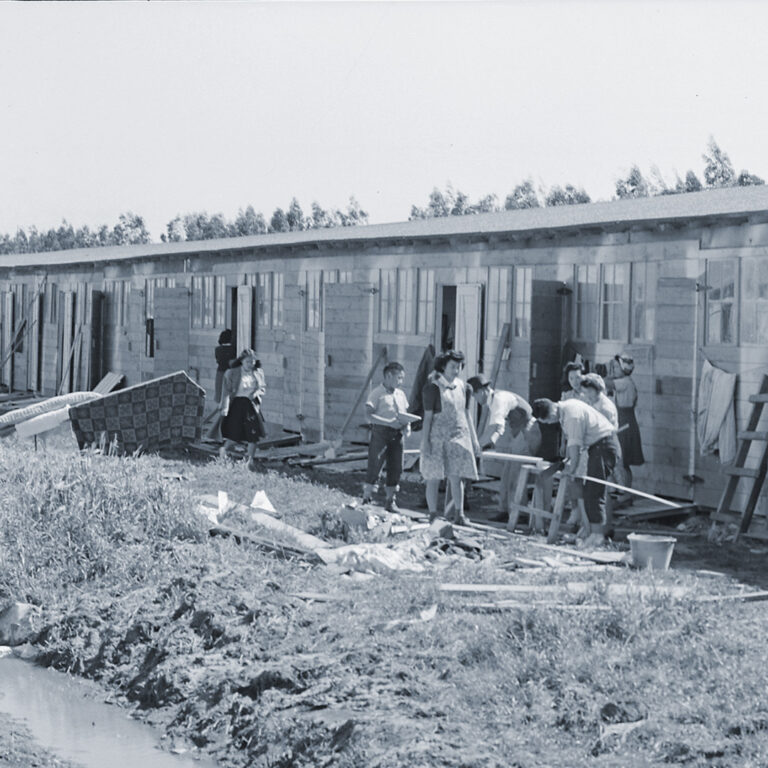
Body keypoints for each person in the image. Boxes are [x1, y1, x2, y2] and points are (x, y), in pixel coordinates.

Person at [532, 397, 618, 546]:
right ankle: (591, 531)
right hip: (596, 447)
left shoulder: (571, 415)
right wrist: (569, 464)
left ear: (552, 412)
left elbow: (574, 445)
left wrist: (570, 469)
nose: (550, 423)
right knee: (589, 491)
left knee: (594, 491)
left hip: (604, 446)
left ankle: (598, 535)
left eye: (548, 421)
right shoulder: (566, 410)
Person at [467, 374, 542, 523]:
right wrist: (489, 443)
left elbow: (494, 426)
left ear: (481, 391)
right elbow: (498, 429)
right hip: (517, 434)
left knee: (516, 477)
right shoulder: (494, 401)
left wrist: (476, 447)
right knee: (506, 475)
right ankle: (504, 510)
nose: (475, 400)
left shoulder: (499, 399)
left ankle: (519, 514)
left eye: (474, 396)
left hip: (528, 432)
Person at [420, 350, 481, 525]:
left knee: (457, 476)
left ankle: (459, 514)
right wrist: (425, 442)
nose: (456, 370)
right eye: (452, 366)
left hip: (458, 435)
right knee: (433, 477)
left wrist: (474, 439)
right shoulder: (432, 388)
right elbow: (428, 418)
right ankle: (432, 514)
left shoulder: (464, 387)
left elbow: (467, 414)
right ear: (443, 367)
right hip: (437, 437)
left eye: (459, 366)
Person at [362, 361, 411, 512]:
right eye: (399, 378)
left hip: (397, 435)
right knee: (375, 465)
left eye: (402, 378)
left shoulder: (400, 394)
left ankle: (390, 501)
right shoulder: (377, 393)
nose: (401, 382)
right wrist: (388, 422)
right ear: (389, 376)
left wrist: (407, 426)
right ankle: (366, 499)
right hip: (381, 434)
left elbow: (405, 414)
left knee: (396, 467)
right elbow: (368, 416)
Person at [220, 349, 267, 471]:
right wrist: (224, 407)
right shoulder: (232, 373)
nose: (250, 364)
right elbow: (226, 391)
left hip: (250, 405)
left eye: (252, 362)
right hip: (236, 404)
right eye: (247, 362)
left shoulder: (258, 373)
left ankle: (249, 461)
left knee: (253, 433)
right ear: (241, 361)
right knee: (234, 434)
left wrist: (256, 393)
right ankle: (223, 452)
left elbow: (262, 388)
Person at [606, 353, 644, 488]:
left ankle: (625, 493)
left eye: (616, 367)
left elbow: (606, 383)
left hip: (625, 423)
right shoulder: (625, 381)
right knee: (624, 462)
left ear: (624, 369)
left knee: (621, 461)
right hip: (626, 422)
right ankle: (626, 492)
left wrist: (600, 374)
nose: (614, 369)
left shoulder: (625, 382)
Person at [206, 329, 238, 441]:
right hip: (229, 375)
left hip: (220, 374)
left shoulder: (218, 349)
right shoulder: (234, 349)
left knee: (221, 400)